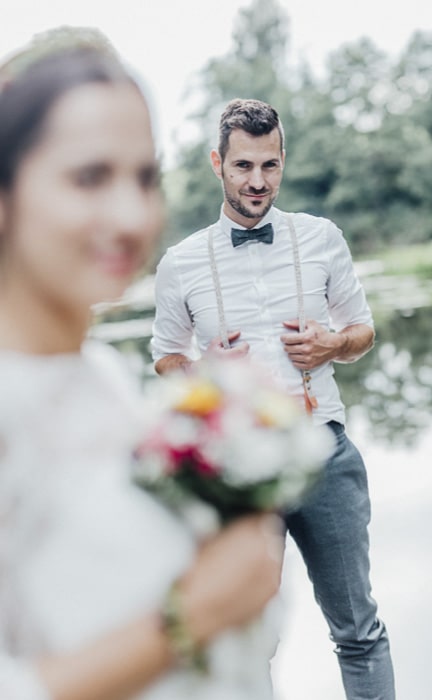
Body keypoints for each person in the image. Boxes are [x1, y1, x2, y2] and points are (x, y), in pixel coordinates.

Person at [0, 28, 285, 700]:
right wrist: (195, 614)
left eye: (145, 177)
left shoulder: (103, 376)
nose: (132, 215)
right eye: (89, 177)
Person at [150, 98, 395, 699]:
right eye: (243, 167)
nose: (258, 182)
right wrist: (204, 371)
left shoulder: (322, 238)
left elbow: (362, 332)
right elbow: (164, 357)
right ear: (218, 164)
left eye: (270, 165)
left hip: (324, 453)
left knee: (358, 629)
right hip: (235, 469)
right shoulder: (180, 264)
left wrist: (332, 343)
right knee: (244, 634)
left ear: (283, 161)